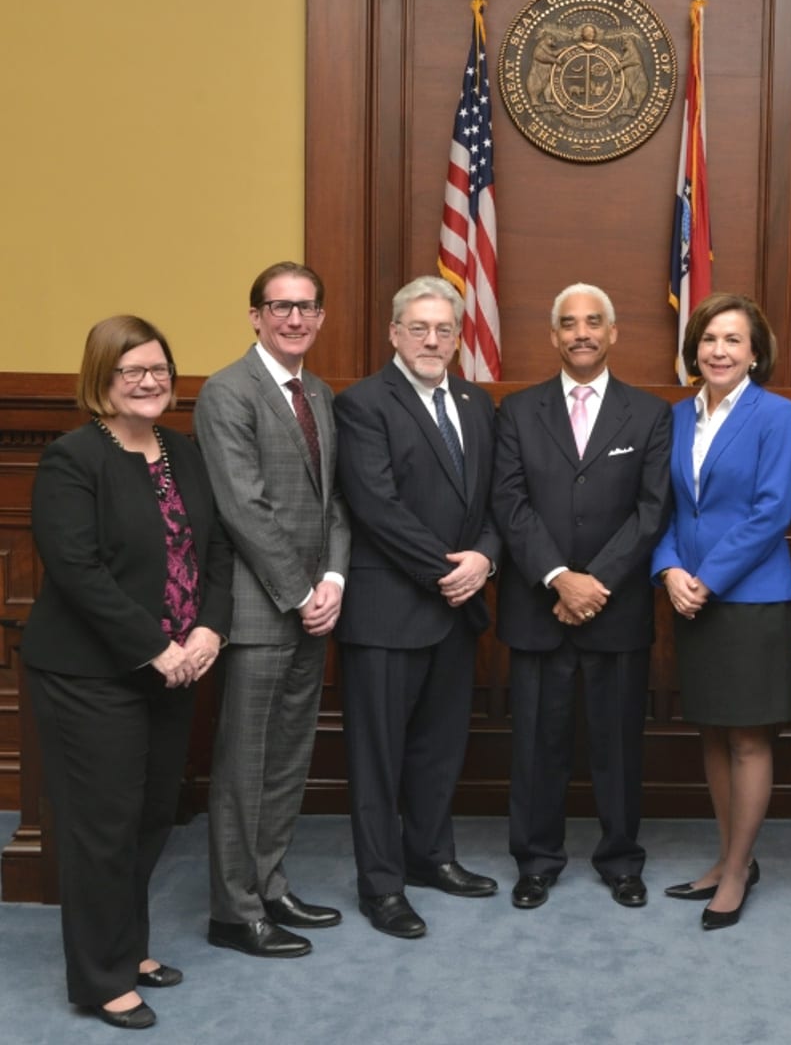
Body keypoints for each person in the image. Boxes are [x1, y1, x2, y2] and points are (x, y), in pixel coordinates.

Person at [22, 316, 232, 1030]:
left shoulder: (183, 452)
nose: (149, 382)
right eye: (130, 371)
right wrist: (155, 645)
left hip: (173, 669)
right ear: (101, 381)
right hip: (91, 674)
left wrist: (209, 627)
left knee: (148, 817)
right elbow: (77, 572)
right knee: (102, 828)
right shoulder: (72, 459)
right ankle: (100, 976)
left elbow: (216, 551)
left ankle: (128, 947)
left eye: (158, 370)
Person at [493, 283, 671, 911]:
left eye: (594, 322)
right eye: (568, 324)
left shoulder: (650, 415)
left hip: (614, 610)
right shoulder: (516, 411)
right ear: (553, 336)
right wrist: (557, 579)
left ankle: (621, 860)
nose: (582, 333)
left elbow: (651, 512)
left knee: (618, 746)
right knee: (536, 746)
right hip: (538, 607)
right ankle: (536, 861)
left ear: (613, 332)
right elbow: (509, 505)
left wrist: (593, 584)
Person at [333, 276, 501, 940]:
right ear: (394, 333)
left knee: (438, 749)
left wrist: (484, 559)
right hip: (387, 610)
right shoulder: (363, 403)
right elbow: (377, 508)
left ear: (459, 338)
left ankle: (432, 856)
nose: (432, 340)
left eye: (444, 329)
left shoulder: (477, 402)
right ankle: (382, 886)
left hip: (456, 611)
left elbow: (493, 501)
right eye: (418, 328)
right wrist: (450, 574)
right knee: (378, 758)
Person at [195, 261, 350, 958]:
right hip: (261, 614)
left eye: (307, 307)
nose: (294, 318)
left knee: (288, 759)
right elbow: (243, 508)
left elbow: (334, 504)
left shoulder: (319, 392)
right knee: (243, 766)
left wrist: (334, 583)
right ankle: (232, 910)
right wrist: (298, 591)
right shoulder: (228, 392)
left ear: (320, 317)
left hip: (315, 607)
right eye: (280, 306)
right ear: (254, 315)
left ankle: (268, 884)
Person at [651, 292, 791, 930]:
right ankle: (727, 854)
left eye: (733, 340)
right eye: (710, 339)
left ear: (755, 352)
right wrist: (668, 570)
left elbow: (773, 512)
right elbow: (664, 509)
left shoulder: (779, 415)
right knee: (711, 730)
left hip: (751, 598)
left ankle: (739, 870)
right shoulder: (678, 417)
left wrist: (706, 579)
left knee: (746, 737)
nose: (719, 351)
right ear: (695, 350)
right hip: (691, 597)